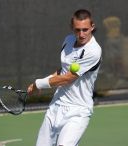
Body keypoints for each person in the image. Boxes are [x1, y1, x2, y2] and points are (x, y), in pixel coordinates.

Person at [27, 9, 102, 146]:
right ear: (72, 28)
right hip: (56, 106)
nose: (81, 34)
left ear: (92, 27)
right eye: (77, 30)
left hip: (78, 110)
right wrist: (41, 83)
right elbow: (63, 71)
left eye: (85, 29)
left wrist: (39, 84)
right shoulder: (68, 41)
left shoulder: (93, 51)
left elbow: (67, 78)